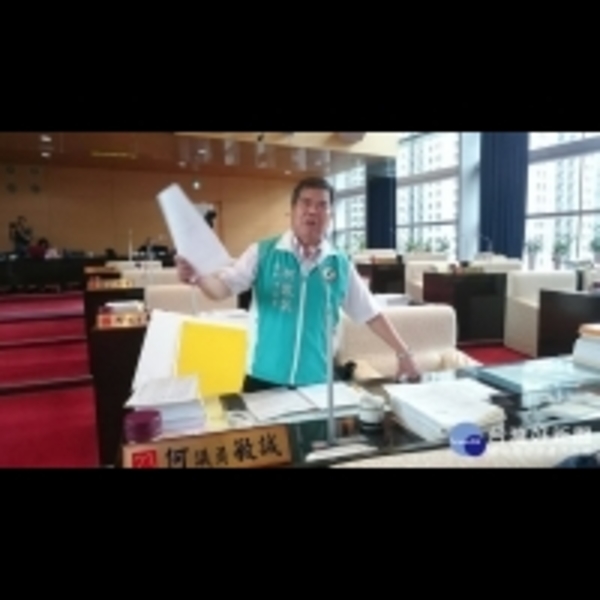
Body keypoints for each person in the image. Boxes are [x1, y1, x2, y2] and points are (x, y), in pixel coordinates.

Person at [176, 176, 420, 392]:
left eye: (322, 205)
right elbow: (222, 289)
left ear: (330, 216)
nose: (313, 211)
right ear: (292, 210)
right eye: (305, 203)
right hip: (263, 376)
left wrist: (404, 353)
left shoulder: (340, 264)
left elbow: (370, 313)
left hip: (317, 381)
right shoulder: (263, 252)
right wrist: (199, 278)